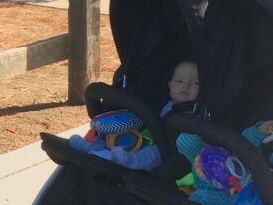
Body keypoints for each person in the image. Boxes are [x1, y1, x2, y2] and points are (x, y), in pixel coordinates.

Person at [68, 60, 201, 171]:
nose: (186, 86)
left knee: (154, 153)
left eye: (196, 83)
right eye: (179, 81)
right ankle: (94, 149)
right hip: (145, 135)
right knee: (116, 133)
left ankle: (128, 161)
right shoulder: (163, 103)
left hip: (167, 148)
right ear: (170, 85)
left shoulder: (198, 112)